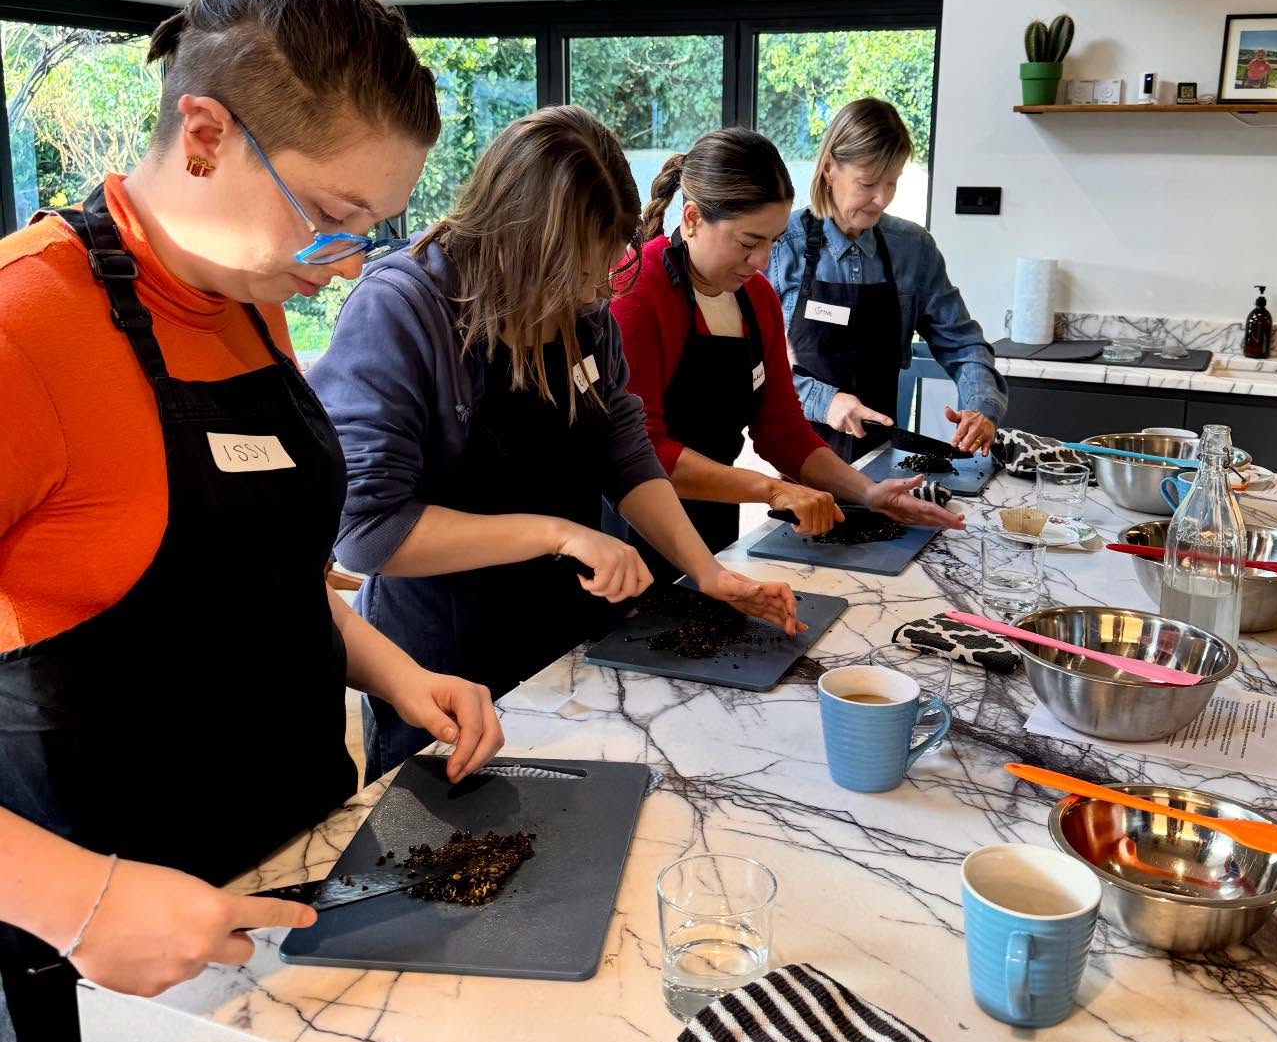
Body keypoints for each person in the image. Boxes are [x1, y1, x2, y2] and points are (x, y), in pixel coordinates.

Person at [0, 0, 505, 1042]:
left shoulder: (248, 294)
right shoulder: (23, 328)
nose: (347, 255)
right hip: (97, 971)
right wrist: (85, 902)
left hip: (285, 893)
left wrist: (389, 663)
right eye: (336, 215)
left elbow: (258, 574)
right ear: (208, 137)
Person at [312, 106, 798, 781]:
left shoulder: (582, 313)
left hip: (561, 639)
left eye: (606, 267)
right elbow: (366, 532)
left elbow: (626, 448)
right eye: (579, 272)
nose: (598, 292)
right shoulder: (402, 309)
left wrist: (705, 570)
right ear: (517, 241)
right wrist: (557, 534)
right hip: (444, 658)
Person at [611, 127, 956, 559]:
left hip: (714, 521)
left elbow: (782, 429)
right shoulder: (639, 292)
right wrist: (771, 491)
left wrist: (868, 492)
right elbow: (644, 451)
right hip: (632, 537)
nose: (762, 262)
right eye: (748, 243)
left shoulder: (756, 298)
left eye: (772, 242)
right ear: (694, 218)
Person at [768, 96, 1007, 460]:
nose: (881, 200)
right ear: (830, 168)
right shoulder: (780, 246)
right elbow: (752, 368)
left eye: (892, 183)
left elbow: (962, 343)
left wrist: (980, 407)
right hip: (797, 462)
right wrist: (825, 401)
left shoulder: (912, 249)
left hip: (878, 460)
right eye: (868, 184)